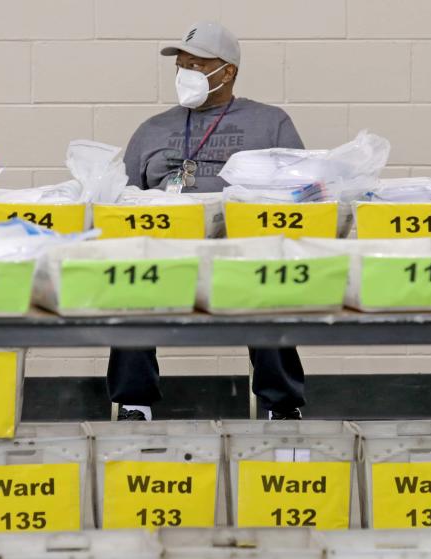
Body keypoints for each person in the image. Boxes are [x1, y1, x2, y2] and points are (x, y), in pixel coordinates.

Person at [108, 20, 306, 422]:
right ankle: (135, 405)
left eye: (197, 65)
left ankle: (282, 408)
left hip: (242, 256)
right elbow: (120, 200)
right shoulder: (152, 130)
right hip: (166, 255)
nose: (185, 74)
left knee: (269, 290)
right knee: (130, 289)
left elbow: (303, 196)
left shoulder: (271, 123)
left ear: (227, 70)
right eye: (180, 65)